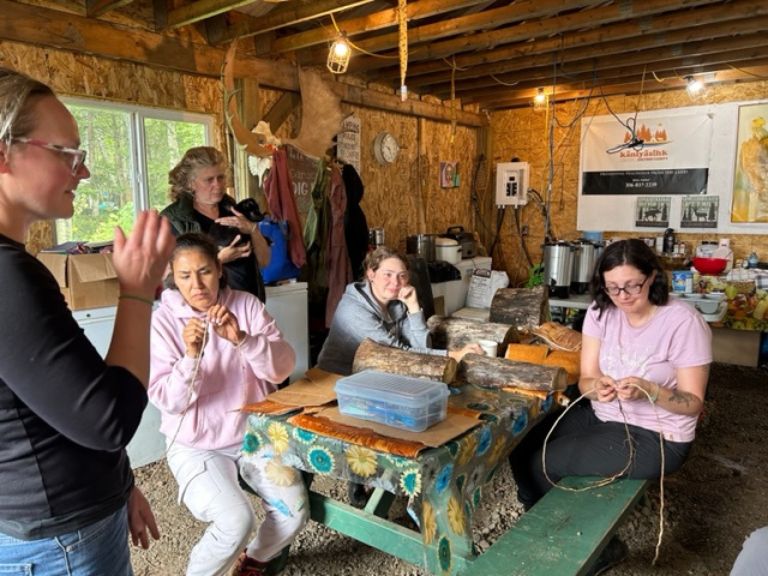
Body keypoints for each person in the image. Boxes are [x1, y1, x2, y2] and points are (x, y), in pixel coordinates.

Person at [0, 68, 174, 573]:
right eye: (67, 154)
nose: (84, 172)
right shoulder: (9, 278)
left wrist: (118, 483)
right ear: (4, 152)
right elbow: (108, 420)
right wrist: (138, 293)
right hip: (57, 541)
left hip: (59, 517)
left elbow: (61, 400)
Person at [510, 238, 712, 575]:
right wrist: (595, 389)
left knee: (546, 463)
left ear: (652, 278)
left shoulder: (682, 322)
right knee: (519, 447)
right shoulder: (601, 311)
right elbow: (588, 378)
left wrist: (651, 390)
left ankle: (594, 548)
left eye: (633, 285)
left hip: (658, 435)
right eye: (613, 288)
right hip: (604, 413)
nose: (623, 297)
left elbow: (692, 404)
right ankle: (541, 520)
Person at [148, 233, 308, 576]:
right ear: (173, 278)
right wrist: (190, 357)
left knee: (295, 512)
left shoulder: (246, 305)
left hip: (252, 435)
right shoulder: (163, 321)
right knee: (236, 520)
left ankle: (251, 563)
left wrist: (243, 340)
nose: (197, 285)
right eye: (185, 276)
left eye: (204, 271)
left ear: (220, 269)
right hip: (195, 444)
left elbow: (283, 367)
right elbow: (167, 400)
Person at [317, 245, 483, 376]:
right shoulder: (353, 310)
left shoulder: (397, 302)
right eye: (387, 274)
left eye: (402, 275)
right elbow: (396, 352)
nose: (395, 282)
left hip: (375, 373)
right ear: (371, 274)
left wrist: (413, 307)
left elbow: (420, 345)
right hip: (336, 378)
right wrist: (454, 355)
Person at [161, 146, 270, 302]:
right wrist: (218, 260)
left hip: (248, 308)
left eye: (221, 177)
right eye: (209, 180)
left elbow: (264, 260)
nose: (218, 185)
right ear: (191, 184)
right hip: (204, 314)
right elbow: (166, 279)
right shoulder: (173, 220)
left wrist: (253, 230)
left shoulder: (234, 211)